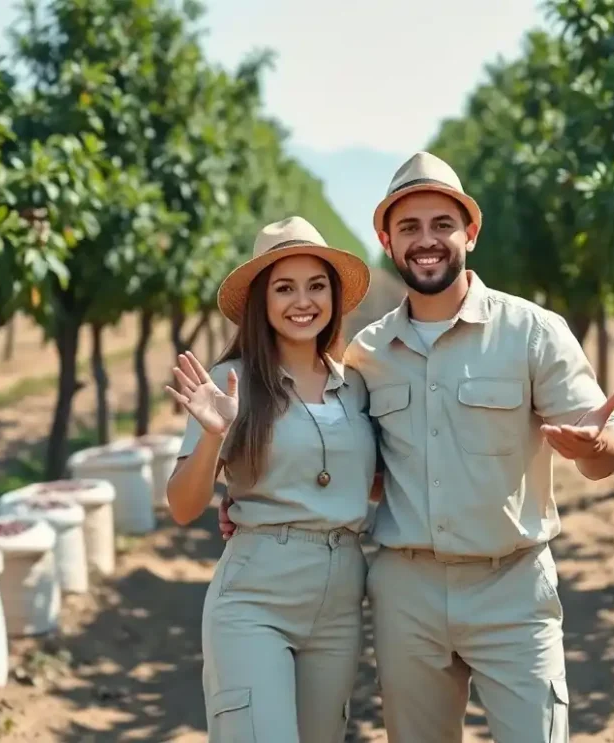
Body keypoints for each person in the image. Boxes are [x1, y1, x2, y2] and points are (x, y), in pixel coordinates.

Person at [219, 152, 614, 742]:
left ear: (471, 230)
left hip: (511, 589)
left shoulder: (533, 332)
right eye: (409, 228)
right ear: (387, 241)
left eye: (442, 224)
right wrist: (250, 496)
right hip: (405, 595)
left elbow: (609, 449)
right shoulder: (366, 355)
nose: (427, 241)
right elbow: (335, 451)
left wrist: (596, 446)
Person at [164, 215, 379, 742]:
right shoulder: (230, 383)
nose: (302, 301)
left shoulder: (356, 386)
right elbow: (181, 506)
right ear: (261, 301)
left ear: (333, 297)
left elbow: (371, 482)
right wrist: (214, 435)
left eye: (316, 286)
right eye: (284, 288)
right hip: (256, 598)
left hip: (340, 600)